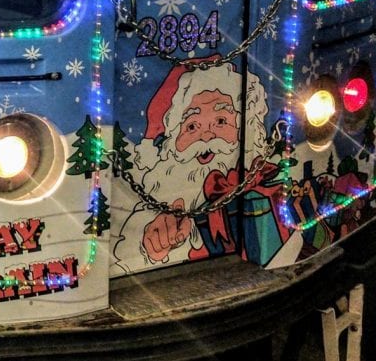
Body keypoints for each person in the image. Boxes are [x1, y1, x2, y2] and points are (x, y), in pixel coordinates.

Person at [111, 60, 288, 273]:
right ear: (173, 138)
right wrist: (156, 244)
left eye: (221, 121)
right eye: (192, 126)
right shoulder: (161, 190)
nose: (206, 136)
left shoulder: (263, 179)